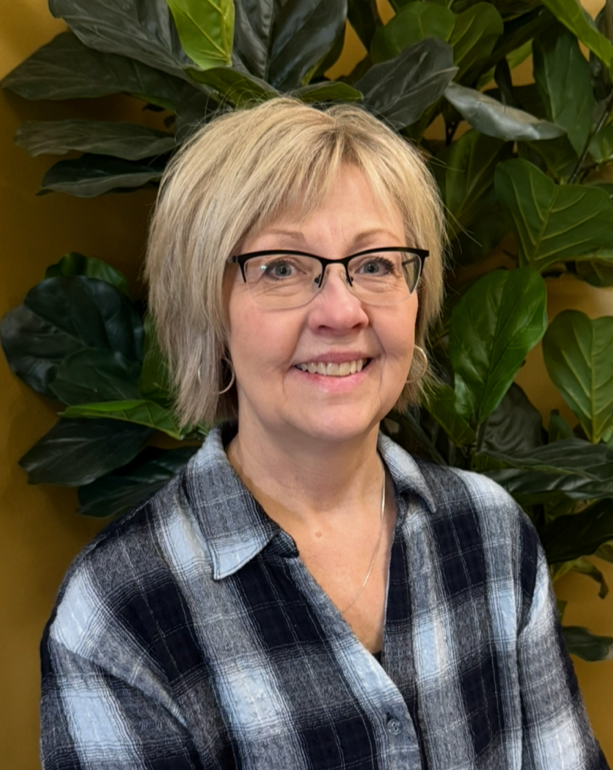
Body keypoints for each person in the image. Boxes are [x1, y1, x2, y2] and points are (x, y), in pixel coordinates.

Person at [40, 98, 607, 769]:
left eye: (374, 265)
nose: (341, 311)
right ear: (207, 309)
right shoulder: (118, 614)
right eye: (281, 267)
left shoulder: (489, 533)